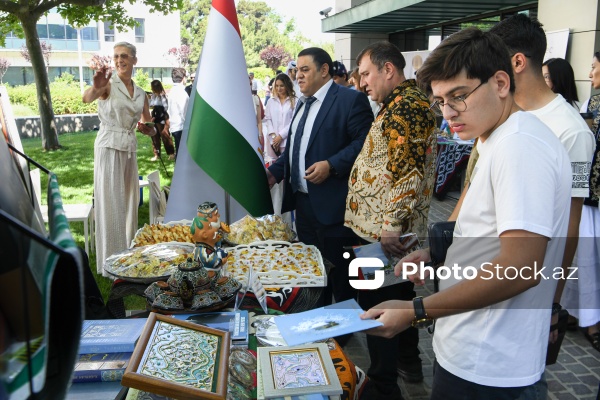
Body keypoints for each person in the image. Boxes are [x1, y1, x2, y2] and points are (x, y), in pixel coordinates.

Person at [362, 27, 572, 399]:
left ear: (502, 82)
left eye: (458, 97)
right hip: (474, 351)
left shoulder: (519, 147)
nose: (448, 113)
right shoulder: (499, 136)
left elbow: (520, 266)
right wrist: (436, 254)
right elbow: (487, 231)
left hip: (489, 363)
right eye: (441, 100)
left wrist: (417, 310)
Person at [489, 14, 595, 351]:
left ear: (517, 62)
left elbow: (570, 224)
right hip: (485, 268)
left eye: (492, 62)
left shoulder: (571, 130)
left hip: (528, 283)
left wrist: (552, 301)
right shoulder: (500, 112)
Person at [345, 41, 437, 397]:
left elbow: (407, 173)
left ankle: (384, 385)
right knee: (398, 295)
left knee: (377, 305)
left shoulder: (407, 108)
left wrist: (389, 228)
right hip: (384, 234)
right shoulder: (396, 104)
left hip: (385, 236)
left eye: (366, 74)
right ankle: (409, 365)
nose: (362, 82)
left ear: (389, 70)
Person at [266, 47, 373, 306]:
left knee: (340, 273)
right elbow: (296, 148)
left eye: (305, 70)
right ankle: (320, 319)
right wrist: (275, 172)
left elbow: (366, 143)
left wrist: (332, 165)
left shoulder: (349, 100)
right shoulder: (302, 104)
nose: (298, 76)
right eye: (296, 71)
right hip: (303, 205)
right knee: (313, 271)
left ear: (324, 70)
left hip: (335, 206)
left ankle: (345, 328)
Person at [82, 41, 155, 275]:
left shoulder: (142, 92)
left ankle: (127, 255)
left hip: (129, 148)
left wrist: (148, 130)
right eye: (115, 56)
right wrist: (95, 88)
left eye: (124, 56)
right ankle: (110, 262)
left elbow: (149, 123)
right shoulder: (108, 84)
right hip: (109, 146)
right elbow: (87, 98)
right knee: (110, 203)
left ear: (134, 60)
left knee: (129, 202)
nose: (119, 60)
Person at [562, 51, 600, 352]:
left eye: (595, 67)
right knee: (586, 261)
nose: (590, 74)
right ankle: (586, 318)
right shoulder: (590, 105)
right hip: (589, 198)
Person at [263, 73, 297, 226]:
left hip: (287, 142)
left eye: (282, 85)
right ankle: (275, 213)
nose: (279, 88)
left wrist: (281, 136)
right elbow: (268, 119)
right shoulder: (271, 101)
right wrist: (272, 136)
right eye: (276, 86)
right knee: (274, 179)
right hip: (273, 144)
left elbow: (293, 122)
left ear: (287, 86)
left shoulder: (294, 101)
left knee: (286, 178)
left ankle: (288, 217)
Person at [148, 80, 175, 161]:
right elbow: (150, 104)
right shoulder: (153, 95)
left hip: (162, 118)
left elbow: (166, 107)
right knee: (154, 136)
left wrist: (158, 105)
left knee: (165, 135)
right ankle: (157, 154)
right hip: (155, 117)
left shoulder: (162, 96)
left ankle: (171, 154)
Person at [169, 67, 189, 158]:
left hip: (175, 126)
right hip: (181, 127)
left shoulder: (172, 91)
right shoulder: (181, 92)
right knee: (183, 156)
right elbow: (184, 112)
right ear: (183, 78)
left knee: (179, 153)